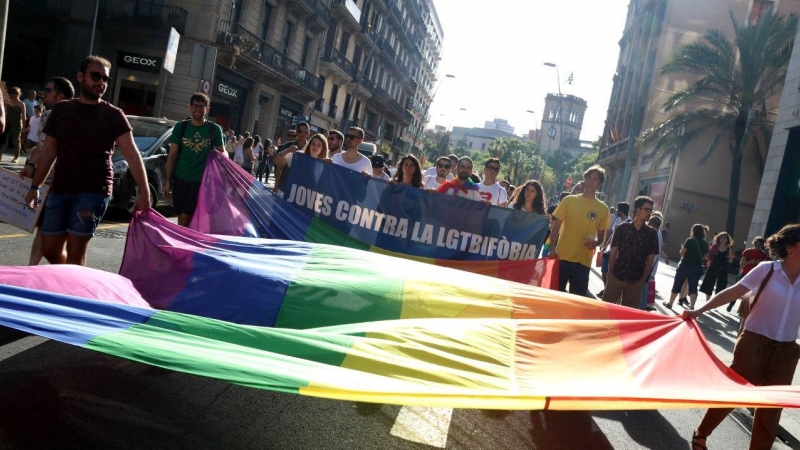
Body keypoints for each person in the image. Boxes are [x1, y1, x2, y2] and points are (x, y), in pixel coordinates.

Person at [23, 55, 150, 265]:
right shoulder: (62, 110)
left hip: (93, 190)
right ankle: (72, 280)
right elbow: (48, 152)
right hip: (60, 188)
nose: (101, 83)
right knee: (49, 248)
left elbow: (132, 153)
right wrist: (35, 186)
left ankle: (71, 292)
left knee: (76, 250)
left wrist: (144, 192)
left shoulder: (114, 115)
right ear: (81, 76)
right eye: (95, 76)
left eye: (105, 79)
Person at [682, 223, 800, 450]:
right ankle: (701, 433)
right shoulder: (767, 270)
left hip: (786, 351)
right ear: (791, 247)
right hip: (754, 342)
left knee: (772, 409)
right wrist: (699, 311)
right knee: (734, 393)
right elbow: (733, 292)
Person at [19, 76, 75, 266]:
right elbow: (41, 147)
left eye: (48, 90)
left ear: (60, 96)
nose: (44, 93)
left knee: (60, 236)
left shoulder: (77, 116)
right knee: (42, 229)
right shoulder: (46, 116)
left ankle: (61, 276)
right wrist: (30, 166)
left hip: (67, 185)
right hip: (45, 183)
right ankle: (31, 270)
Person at [163, 92, 225, 227]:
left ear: (207, 109)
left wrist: (224, 158)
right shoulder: (181, 127)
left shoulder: (214, 129)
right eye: (195, 106)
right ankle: (186, 242)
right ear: (189, 107)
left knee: (185, 217)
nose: (198, 109)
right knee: (181, 217)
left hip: (200, 181)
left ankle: (182, 245)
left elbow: (222, 152)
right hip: (179, 178)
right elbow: (172, 155)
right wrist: (168, 181)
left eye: (201, 107)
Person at [549, 165, 611, 296]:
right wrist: (552, 249)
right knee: (554, 296)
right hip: (562, 257)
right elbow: (556, 226)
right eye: (588, 178)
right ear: (584, 179)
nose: (590, 181)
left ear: (599, 184)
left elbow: (601, 237)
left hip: (583, 261)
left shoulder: (603, 208)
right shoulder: (569, 200)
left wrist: (596, 242)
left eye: (595, 179)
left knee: (576, 301)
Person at [602, 196, 660, 309]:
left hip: (636, 281)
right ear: (638, 210)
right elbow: (613, 252)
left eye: (651, 210)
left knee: (627, 316)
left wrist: (642, 281)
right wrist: (610, 274)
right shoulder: (622, 228)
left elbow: (651, 259)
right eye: (647, 209)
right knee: (606, 310)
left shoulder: (652, 233)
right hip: (617, 276)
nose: (650, 213)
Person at [663, 224, 710, 309]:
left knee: (677, 285)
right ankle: (692, 307)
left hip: (685, 266)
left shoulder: (690, 240)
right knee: (693, 287)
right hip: (697, 267)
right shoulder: (705, 243)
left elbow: (682, 253)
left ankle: (670, 303)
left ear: (693, 231)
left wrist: (682, 249)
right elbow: (706, 255)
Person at [727, 236, 770, 312]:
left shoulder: (764, 255)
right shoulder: (748, 251)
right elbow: (741, 264)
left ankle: (742, 310)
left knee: (750, 294)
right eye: (756, 244)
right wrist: (750, 262)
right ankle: (731, 304)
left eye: (759, 245)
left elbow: (765, 267)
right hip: (745, 274)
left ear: (762, 246)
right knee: (737, 291)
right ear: (754, 243)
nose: (757, 247)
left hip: (756, 276)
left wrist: (759, 263)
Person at [598, 202, 631, 296]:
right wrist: (605, 245)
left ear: (621, 210)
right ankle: (606, 288)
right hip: (610, 250)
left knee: (612, 273)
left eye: (618, 209)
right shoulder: (617, 220)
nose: (616, 211)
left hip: (619, 254)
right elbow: (613, 234)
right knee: (604, 271)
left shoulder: (629, 223)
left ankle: (611, 291)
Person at [699, 232, 735, 302]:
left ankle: (715, 302)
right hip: (713, 267)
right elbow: (709, 255)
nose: (723, 239)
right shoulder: (714, 246)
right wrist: (705, 256)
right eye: (721, 237)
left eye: (725, 238)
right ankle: (708, 302)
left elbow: (731, 261)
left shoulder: (728, 249)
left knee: (721, 286)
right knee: (709, 284)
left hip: (722, 269)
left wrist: (731, 257)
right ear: (718, 238)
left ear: (727, 240)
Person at [273, 123, 310, 192]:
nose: (302, 133)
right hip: (285, 186)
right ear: (296, 133)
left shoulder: (311, 149)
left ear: (308, 134)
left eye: (305, 131)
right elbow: (278, 165)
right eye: (299, 131)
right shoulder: (288, 146)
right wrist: (276, 185)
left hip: (302, 191)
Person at [2, 87, 27, 163]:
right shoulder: (8, 102)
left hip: (17, 125)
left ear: (20, 94)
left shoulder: (21, 104)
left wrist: (24, 127)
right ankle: (0, 155)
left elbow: (24, 116)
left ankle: (16, 156)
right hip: (8, 123)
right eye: (12, 92)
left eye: (16, 93)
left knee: (16, 141)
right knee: (4, 140)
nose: (14, 94)